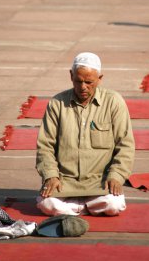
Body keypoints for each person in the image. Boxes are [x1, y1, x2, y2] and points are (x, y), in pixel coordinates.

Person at [36, 52, 135, 216]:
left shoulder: (114, 102)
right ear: (71, 76)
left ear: (100, 78)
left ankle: (74, 210)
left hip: (99, 182)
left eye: (89, 82)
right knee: (48, 204)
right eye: (78, 81)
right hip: (64, 182)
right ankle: (85, 208)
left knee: (114, 205)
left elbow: (125, 145)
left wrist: (116, 175)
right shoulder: (57, 104)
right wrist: (51, 176)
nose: (83, 87)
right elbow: (45, 146)